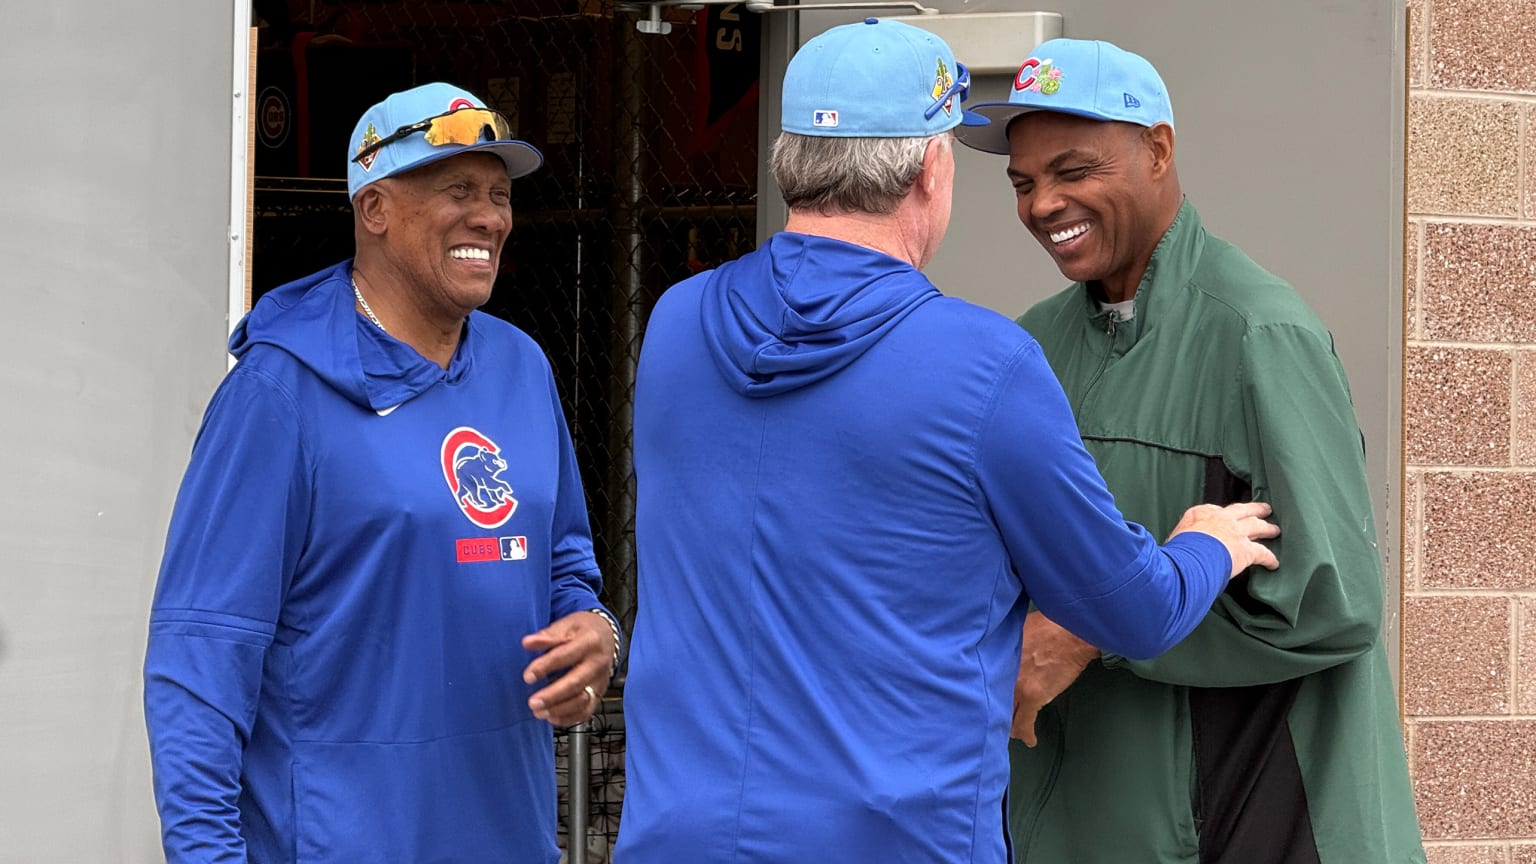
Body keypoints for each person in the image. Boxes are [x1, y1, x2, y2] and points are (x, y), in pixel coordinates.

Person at [615, 20, 1280, 864]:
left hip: (679, 838)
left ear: (790, 161)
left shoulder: (676, 325)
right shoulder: (984, 364)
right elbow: (1133, 610)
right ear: (932, 169)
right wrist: (1203, 546)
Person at [955, 38, 1425, 864]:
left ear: (1159, 150)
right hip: (1071, 813)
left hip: (1252, 817)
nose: (1041, 205)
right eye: (1024, 184)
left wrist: (1092, 628)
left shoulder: (1257, 333)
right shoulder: (1030, 348)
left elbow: (1333, 598)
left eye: (1073, 171)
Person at [142, 82, 622, 863]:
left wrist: (596, 635)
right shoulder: (277, 393)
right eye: (457, 189)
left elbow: (565, 565)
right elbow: (200, 658)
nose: (490, 218)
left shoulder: (520, 367)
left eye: (499, 195)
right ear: (376, 209)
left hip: (507, 838)